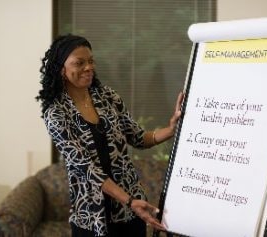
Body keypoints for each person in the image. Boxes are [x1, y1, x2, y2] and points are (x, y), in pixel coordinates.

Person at [36, 34, 183, 237]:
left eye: (90, 61)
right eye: (79, 63)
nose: (88, 67)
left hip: (129, 211)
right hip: (91, 214)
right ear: (61, 69)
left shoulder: (108, 97)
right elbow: (86, 167)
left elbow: (138, 137)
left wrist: (171, 129)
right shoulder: (56, 113)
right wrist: (129, 201)